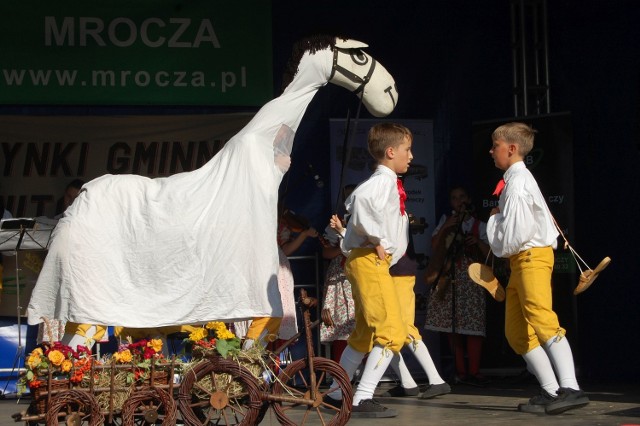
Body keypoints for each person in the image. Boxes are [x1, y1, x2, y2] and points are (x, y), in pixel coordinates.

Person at [486, 122, 589, 415]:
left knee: (542, 318)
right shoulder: (515, 181)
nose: (492, 150)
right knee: (516, 332)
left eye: (496, 145)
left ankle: (571, 387)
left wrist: (494, 222)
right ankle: (551, 389)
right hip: (522, 260)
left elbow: (514, 236)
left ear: (512, 148)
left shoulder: (518, 184)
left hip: (530, 257)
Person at [324, 122, 416, 418]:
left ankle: (338, 392)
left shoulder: (386, 181)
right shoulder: (382, 182)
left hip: (368, 261)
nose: (411, 156)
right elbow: (361, 202)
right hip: (369, 261)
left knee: (364, 332)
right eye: (407, 150)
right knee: (391, 332)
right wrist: (377, 239)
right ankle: (362, 397)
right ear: (391, 152)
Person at [424, 185, 491, 386]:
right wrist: (447, 227)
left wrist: (477, 242)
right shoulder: (446, 220)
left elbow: (491, 253)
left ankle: (474, 371)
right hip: (450, 277)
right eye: (454, 198)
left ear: (468, 199)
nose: (458, 201)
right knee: (452, 325)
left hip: (473, 278)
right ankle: (460, 371)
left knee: (473, 325)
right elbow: (434, 246)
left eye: (462, 197)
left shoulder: (481, 225)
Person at [383, 225, 451, 400]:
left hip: (398, 272)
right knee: (382, 332)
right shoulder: (386, 207)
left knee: (404, 329)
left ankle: (436, 380)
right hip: (390, 273)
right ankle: (407, 383)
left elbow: (394, 245)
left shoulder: (394, 210)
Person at [242, 207, 319, 349]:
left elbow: (283, 249)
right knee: (267, 310)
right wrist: (304, 234)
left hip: (275, 266)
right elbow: (285, 250)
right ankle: (251, 350)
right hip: (269, 265)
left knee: (274, 312)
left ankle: (258, 351)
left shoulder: (279, 224)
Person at [320, 185, 357, 363]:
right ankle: (340, 368)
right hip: (339, 277)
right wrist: (342, 249)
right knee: (339, 322)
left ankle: (363, 369)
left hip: (359, 274)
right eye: (348, 196)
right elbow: (325, 252)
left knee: (360, 322)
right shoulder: (336, 222)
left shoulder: (364, 222)